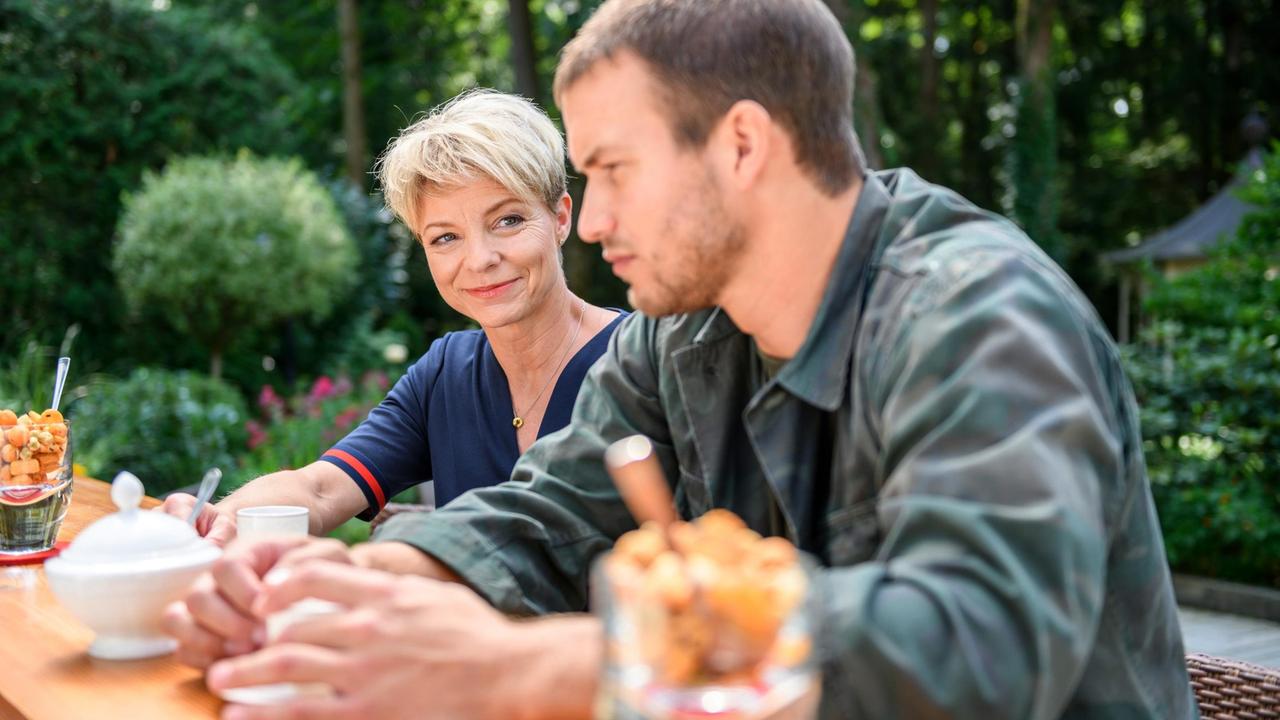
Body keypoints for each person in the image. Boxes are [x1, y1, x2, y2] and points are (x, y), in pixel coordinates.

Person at [173, 2, 1198, 718]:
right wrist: (340, 590)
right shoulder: (680, 330)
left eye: (611, 171)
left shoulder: (975, 312)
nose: (596, 219)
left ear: (741, 146)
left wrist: (536, 671)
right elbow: (540, 519)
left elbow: (981, 642)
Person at [159, 89, 624, 548]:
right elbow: (320, 488)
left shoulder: (642, 359)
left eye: (508, 221)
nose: (480, 258)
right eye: (446, 238)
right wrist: (220, 519)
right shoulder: (446, 374)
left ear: (560, 217)